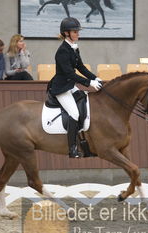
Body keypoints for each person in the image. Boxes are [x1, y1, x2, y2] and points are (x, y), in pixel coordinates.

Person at [49, 17, 102, 158]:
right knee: (74, 113)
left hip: (70, 85)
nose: (78, 34)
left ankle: (85, 143)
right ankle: (72, 148)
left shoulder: (73, 47)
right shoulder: (62, 51)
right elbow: (70, 74)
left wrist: (94, 77)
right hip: (61, 88)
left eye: (78, 31)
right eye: (75, 31)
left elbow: (81, 67)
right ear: (66, 33)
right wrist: (88, 83)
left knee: (85, 106)